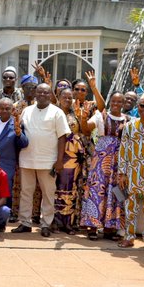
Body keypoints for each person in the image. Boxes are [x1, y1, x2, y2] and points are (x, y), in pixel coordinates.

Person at [12, 83, 70, 237]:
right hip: (27, 159)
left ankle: (46, 224)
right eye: (39, 92)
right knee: (26, 192)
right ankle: (25, 222)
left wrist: (59, 161)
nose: (42, 95)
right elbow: (20, 133)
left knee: (48, 193)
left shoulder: (57, 113)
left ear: (51, 95)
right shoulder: (26, 111)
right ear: (35, 94)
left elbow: (62, 137)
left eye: (46, 92)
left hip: (48, 161)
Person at [80, 76, 125, 240]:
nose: (116, 104)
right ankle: (92, 226)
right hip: (100, 161)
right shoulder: (100, 116)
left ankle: (110, 227)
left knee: (115, 192)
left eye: (120, 102)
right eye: (114, 101)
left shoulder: (127, 120)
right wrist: (83, 118)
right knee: (96, 190)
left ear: (124, 103)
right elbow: (86, 130)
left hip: (117, 162)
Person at [117, 90, 144, 252]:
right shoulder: (129, 126)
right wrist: (121, 173)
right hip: (132, 174)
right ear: (138, 106)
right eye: (142, 106)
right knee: (130, 207)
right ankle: (129, 237)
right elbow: (123, 150)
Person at [52, 88, 93, 233]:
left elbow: (84, 132)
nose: (67, 100)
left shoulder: (76, 114)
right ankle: (55, 222)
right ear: (59, 97)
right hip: (55, 154)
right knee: (56, 189)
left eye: (70, 98)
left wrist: (82, 118)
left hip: (73, 157)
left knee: (71, 189)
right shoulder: (54, 113)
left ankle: (69, 222)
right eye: (65, 97)